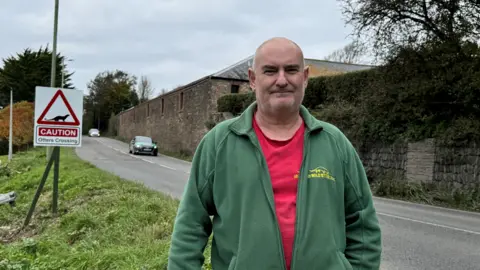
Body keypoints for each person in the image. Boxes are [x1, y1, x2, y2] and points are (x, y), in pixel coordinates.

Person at [168, 37, 382, 270]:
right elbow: (191, 224)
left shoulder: (334, 143)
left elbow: (362, 223)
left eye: (291, 70)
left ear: (305, 77)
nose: (282, 80)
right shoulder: (219, 143)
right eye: (270, 71)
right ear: (252, 79)